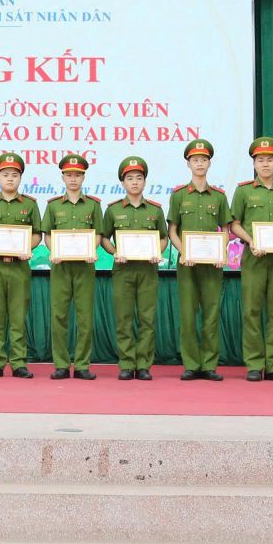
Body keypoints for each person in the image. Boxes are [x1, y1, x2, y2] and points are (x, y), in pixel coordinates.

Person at [229, 137, 273, 382]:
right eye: (260, 160)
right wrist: (251, 240)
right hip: (254, 258)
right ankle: (255, 364)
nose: (265, 164)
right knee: (252, 312)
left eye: (269, 160)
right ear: (254, 164)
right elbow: (234, 224)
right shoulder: (244, 191)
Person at [0, 152, 42, 379]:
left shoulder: (30, 204)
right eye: (5, 174)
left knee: (18, 316)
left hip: (19, 267)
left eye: (14, 174)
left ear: (20, 178)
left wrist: (27, 248)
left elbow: (37, 234)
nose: (10, 178)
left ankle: (19, 362)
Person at [168, 139, 229, 382]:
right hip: (187, 265)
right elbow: (172, 230)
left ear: (209, 163)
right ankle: (191, 364)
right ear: (188, 164)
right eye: (195, 160)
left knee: (211, 315)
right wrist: (184, 251)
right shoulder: (179, 195)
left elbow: (225, 229)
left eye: (204, 160)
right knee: (188, 315)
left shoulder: (219, 197)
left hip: (212, 266)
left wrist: (222, 251)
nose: (200, 163)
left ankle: (209, 365)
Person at [102, 156, 166, 381]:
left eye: (139, 178)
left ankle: (144, 365)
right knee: (124, 318)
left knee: (147, 319)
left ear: (145, 181)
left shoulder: (155, 210)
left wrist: (157, 251)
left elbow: (164, 238)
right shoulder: (113, 210)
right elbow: (104, 238)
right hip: (123, 270)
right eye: (130, 178)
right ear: (123, 182)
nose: (135, 182)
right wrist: (114, 252)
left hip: (148, 270)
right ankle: (127, 364)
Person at [41, 153, 101, 380]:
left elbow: (98, 234)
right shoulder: (54, 205)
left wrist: (91, 250)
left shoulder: (93, 205)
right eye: (69, 175)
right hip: (61, 267)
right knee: (59, 316)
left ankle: (83, 364)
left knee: (85, 318)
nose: (73, 179)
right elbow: (47, 235)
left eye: (77, 175)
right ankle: (61, 364)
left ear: (83, 177)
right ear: (63, 178)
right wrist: (54, 251)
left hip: (85, 267)